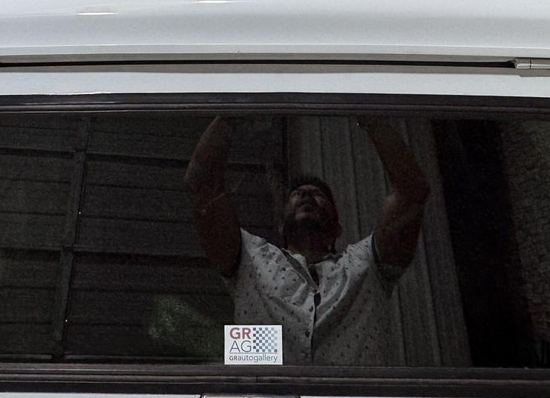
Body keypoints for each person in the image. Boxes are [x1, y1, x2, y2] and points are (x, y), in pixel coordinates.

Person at [184, 115, 430, 366]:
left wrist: (370, 116)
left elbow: (412, 192)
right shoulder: (250, 257)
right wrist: (230, 115)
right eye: (297, 194)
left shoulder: (365, 264)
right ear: (281, 226)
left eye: (318, 195)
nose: (306, 195)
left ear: (337, 228)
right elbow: (202, 186)